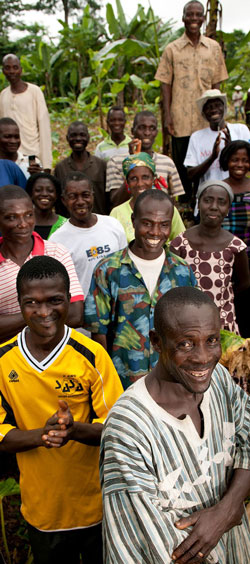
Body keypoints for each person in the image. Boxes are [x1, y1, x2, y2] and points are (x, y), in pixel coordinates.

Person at [100, 286, 250, 564]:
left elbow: (248, 438)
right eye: (185, 343)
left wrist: (227, 510)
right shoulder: (128, 428)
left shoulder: (218, 380)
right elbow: (149, 542)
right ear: (156, 342)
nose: (203, 357)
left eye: (212, 340)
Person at [0, 255, 123, 564]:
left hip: (97, 505)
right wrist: (42, 436)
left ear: (69, 299)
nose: (43, 312)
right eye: (32, 303)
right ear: (19, 302)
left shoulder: (91, 355)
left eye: (54, 300)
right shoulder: (4, 362)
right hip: (43, 509)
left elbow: (117, 427)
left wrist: (74, 430)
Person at [84, 190, 196, 389]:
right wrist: (106, 382)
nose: (155, 232)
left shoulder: (182, 271)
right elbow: (98, 333)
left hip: (172, 381)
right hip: (123, 383)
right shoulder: (109, 269)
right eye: (147, 223)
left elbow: (191, 328)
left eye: (164, 225)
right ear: (133, 221)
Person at [155, 1, 228, 198]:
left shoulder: (213, 48)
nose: (194, 18)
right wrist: (168, 115)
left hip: (206, 117)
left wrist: (219, 115)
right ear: (183, 18)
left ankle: (204, 196)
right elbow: (165, 84)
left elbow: (217, 83)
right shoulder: (172, 49)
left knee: (207, 157)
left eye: (198, 14)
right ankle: (186, 201)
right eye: (190, 14)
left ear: (203, 18)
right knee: (182, 162)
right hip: (181, 116)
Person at [0, 185, 84, 344]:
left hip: (57, 355)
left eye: (28, 215)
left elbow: (75, 314)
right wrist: (48, 313)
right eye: (12, 217)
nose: (23, 224)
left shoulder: (56, 252)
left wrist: (27, 315)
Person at [170, 180, 250, 335]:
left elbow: (244, 283)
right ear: (198, 204)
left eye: (221, 202)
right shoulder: (180, 244)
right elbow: (171, 284)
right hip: (186, 325)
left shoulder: (235, 246)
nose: (214, 206)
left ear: (228, 209)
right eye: (207, 200)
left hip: (223, 327)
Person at [49, 171, 127, 298]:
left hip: (117, 303)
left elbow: (125, 267)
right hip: (83, 310)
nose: (80, 201)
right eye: (73, 196)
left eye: (85, 195)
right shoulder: (57, 240)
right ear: (64, 200)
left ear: (92, 196)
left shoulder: (113, 225)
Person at [106, 110, 185, 207]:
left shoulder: (167, 162)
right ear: (132, 131)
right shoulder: (115, 162)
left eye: (152, 128)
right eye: (142, 128)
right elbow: (115, 201)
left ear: (156, 132)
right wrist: (132, 162)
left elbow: (173, 201)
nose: (147, 133)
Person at [110, 152, 185, 243]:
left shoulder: (168, 209)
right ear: (127, 183)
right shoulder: (117, 213)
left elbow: (181, 241)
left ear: (153, 179)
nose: (140, 184)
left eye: (145, 177)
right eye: (133, 178)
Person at [184, 89, 250, 187]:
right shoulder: (196, 137)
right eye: (209, 107)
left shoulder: (240, 130)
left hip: (237, 193)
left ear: (224, 107)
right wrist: (212, 157)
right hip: (208, 195)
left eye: (218, 105)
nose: (214, 110)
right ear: (203, 113)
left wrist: (231, 150)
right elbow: (190, 175)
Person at [0, 54, 52, 172]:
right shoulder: (3, 95)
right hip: (9, 158)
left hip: (32, 157)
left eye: (15, 67)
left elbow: (44, 128)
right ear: (3, 71)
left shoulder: (34, 92)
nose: (12, 71)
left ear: (21, 70)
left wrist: (46, 164)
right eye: (7, 68)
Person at [54, 121, 107, 215]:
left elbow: (108, 198)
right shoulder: (60, 168)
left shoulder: (101, 165)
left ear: (88, 137)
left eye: (82, 135)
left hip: (98, 221)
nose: (78, 139)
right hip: (70, 223)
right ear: (67, 138)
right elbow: (58, 202)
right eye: (73, 135)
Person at [220, 140, 250, 261]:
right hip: (223, 253)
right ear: (227, 161)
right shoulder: (219, 189)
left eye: (245, 161)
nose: (240, 164)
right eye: (235, 160)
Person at [26, 172, 67, 239]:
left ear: (56, 195)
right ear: (31, 194)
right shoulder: (23, 223)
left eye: (50, 191)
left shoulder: (65, 224)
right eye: (38, 190)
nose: (44, 194)